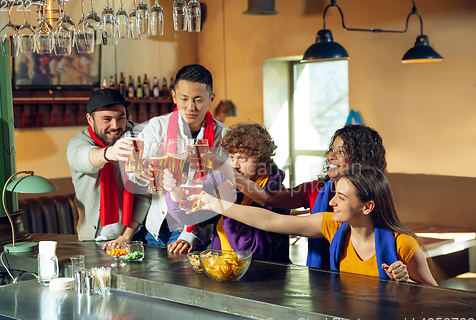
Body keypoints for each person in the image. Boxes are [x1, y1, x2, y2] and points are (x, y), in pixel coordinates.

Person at [197, 168, 438, 285]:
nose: (331, 201)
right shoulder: (331, 226)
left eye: (341, 198)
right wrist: (215, 204)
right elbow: (270, 221)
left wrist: (407, 284)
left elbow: (436, 299)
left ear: (367, 207)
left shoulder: (403, 245)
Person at [203, 124, 387, 269]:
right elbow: (268, 203)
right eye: (331, 149)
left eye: (340, 151)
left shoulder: (373, 198)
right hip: (321, 279)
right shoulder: (317, 190)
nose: (331, 156)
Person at [129, 64, 229, 248]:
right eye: (184, 98)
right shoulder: (157, 126)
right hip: (157, 228)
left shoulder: (224, 136)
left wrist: (189, 235)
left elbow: (222, 191)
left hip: (197, 231)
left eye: (198, 99)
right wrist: (140, 172)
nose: (190, 107)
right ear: (174, 96)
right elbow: (136, 171)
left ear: (211, 98)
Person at [165, 122, 291, 263]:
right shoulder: (222, 179)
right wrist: (176, 193)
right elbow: (190, 216)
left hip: (265, 278)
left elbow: (255, 253)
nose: (235, 165)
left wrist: (226, 205)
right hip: (222, 270)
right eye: (232, 157)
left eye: (242, 158)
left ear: (263, 160)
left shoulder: (276, 194)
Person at [66, 88, 150, 242]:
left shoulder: (139, 136)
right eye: (106, 119)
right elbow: (84, 157)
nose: (115, 125)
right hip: (93, 238)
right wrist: (109, 153)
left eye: (120, 117)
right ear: (90, 120)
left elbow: (144, 195)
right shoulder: (78, 143)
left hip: (135, 236)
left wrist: (126, 237)